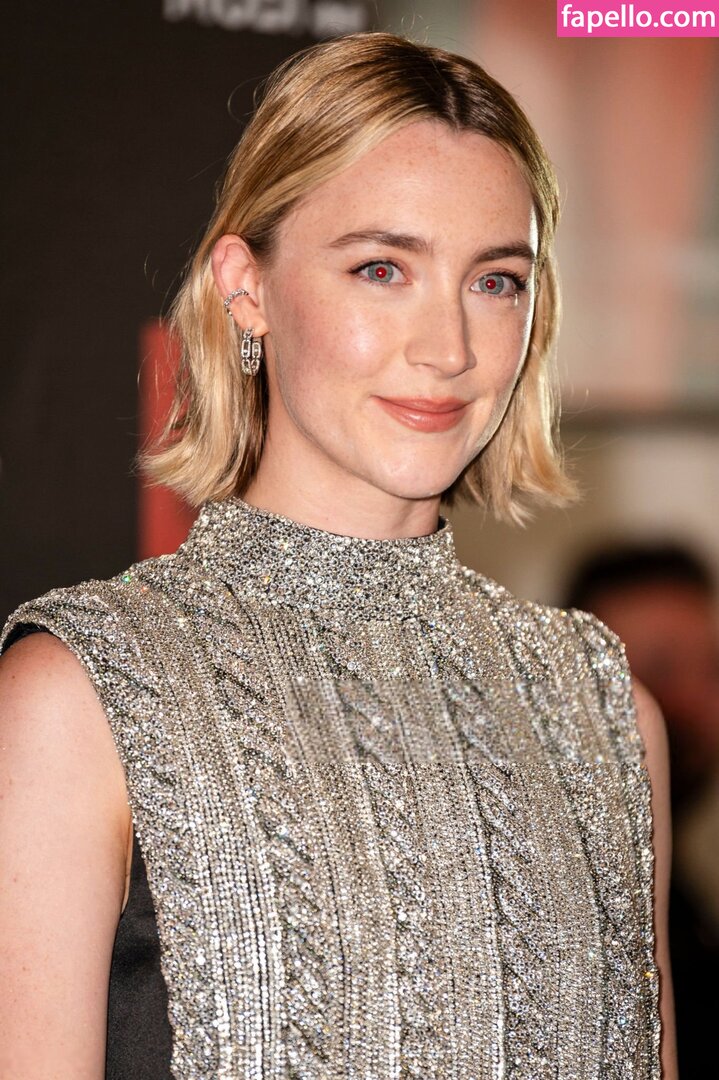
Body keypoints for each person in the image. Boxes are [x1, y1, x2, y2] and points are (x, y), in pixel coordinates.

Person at [0, 31, 676, 1079]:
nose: (447, 349)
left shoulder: (603, 713)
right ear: (246, 288)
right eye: (380, 269)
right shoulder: (80, 695)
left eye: (494, 281)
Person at [566, 541, 719, 1078]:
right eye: (658, 668)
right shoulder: (571, 905)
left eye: (713, 671)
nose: (694, 701)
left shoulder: (689, 899)